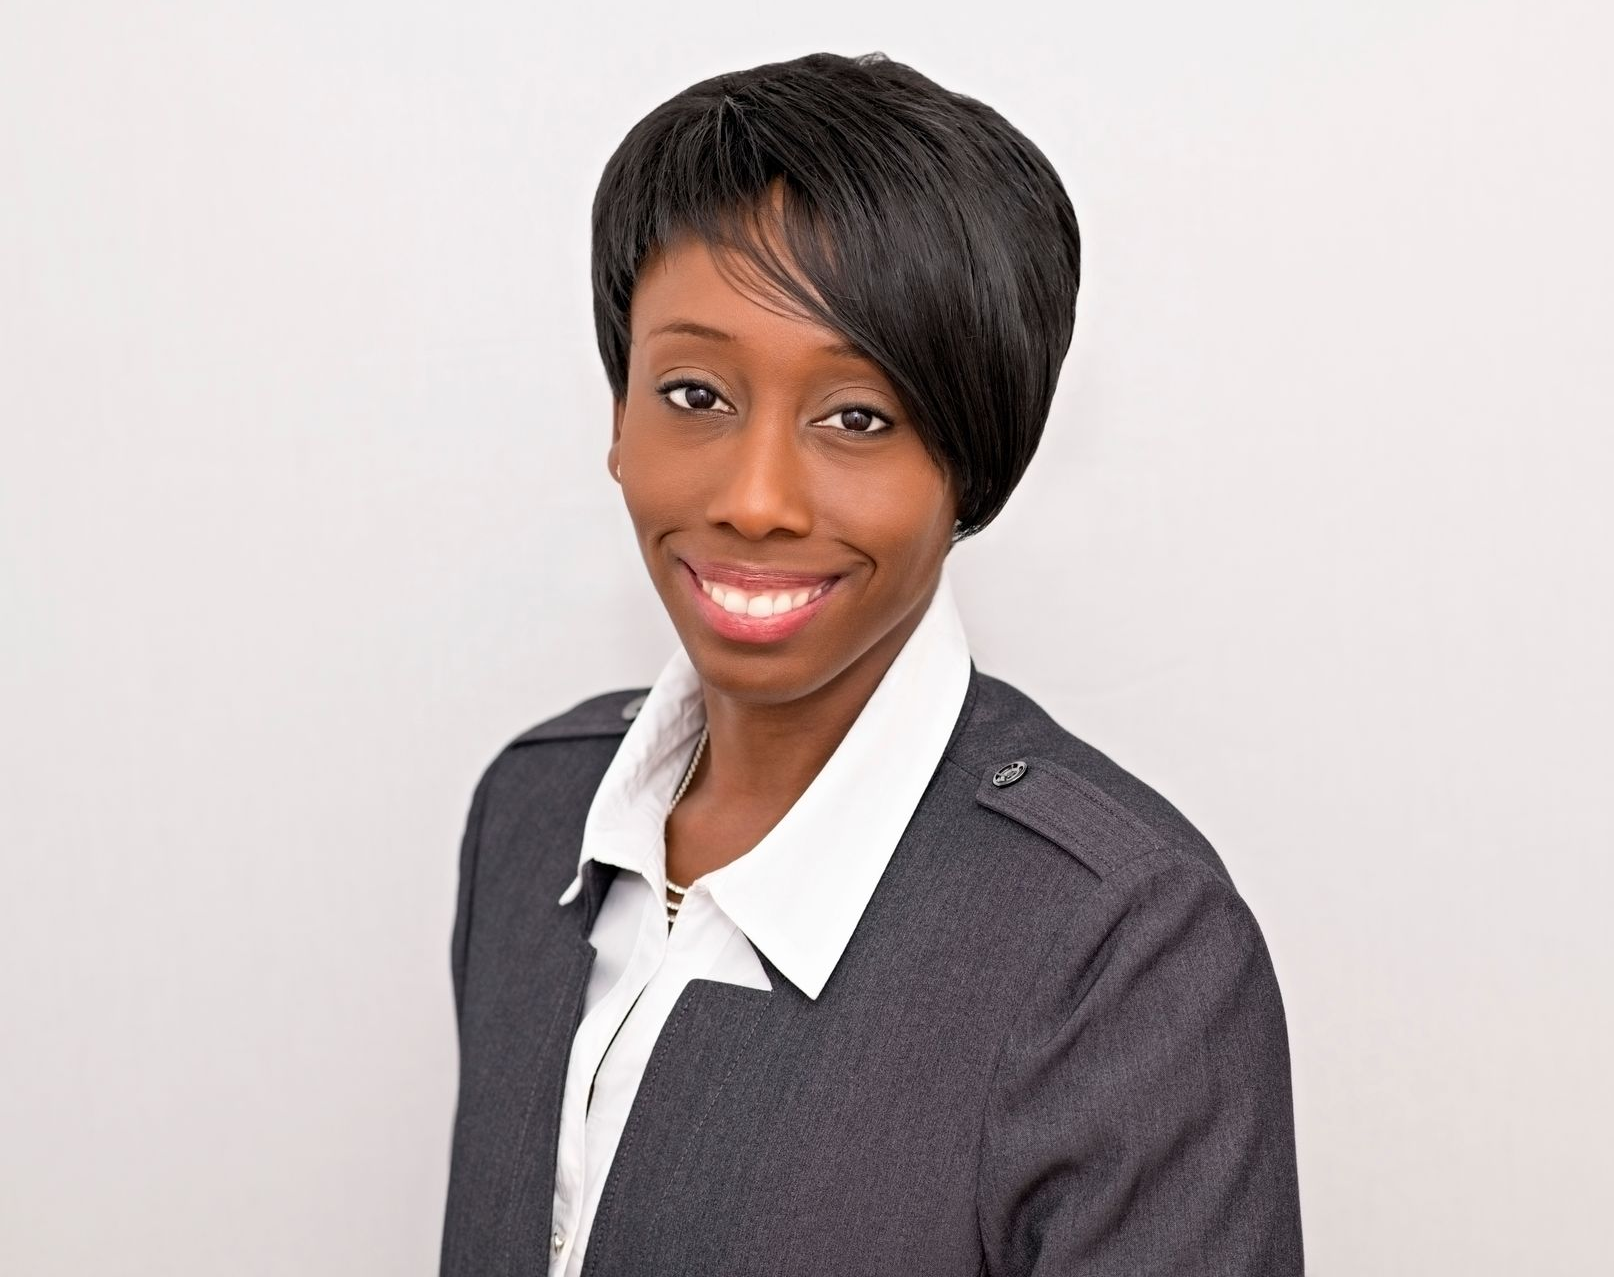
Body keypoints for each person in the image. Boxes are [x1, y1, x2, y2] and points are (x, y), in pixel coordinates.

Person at [439, 50, 1303, 1277]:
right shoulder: (531, 813)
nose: (754, 499)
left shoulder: (1120, 944)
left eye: (858, 417)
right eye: (693, 391)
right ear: (618, 417)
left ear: (968, 469)